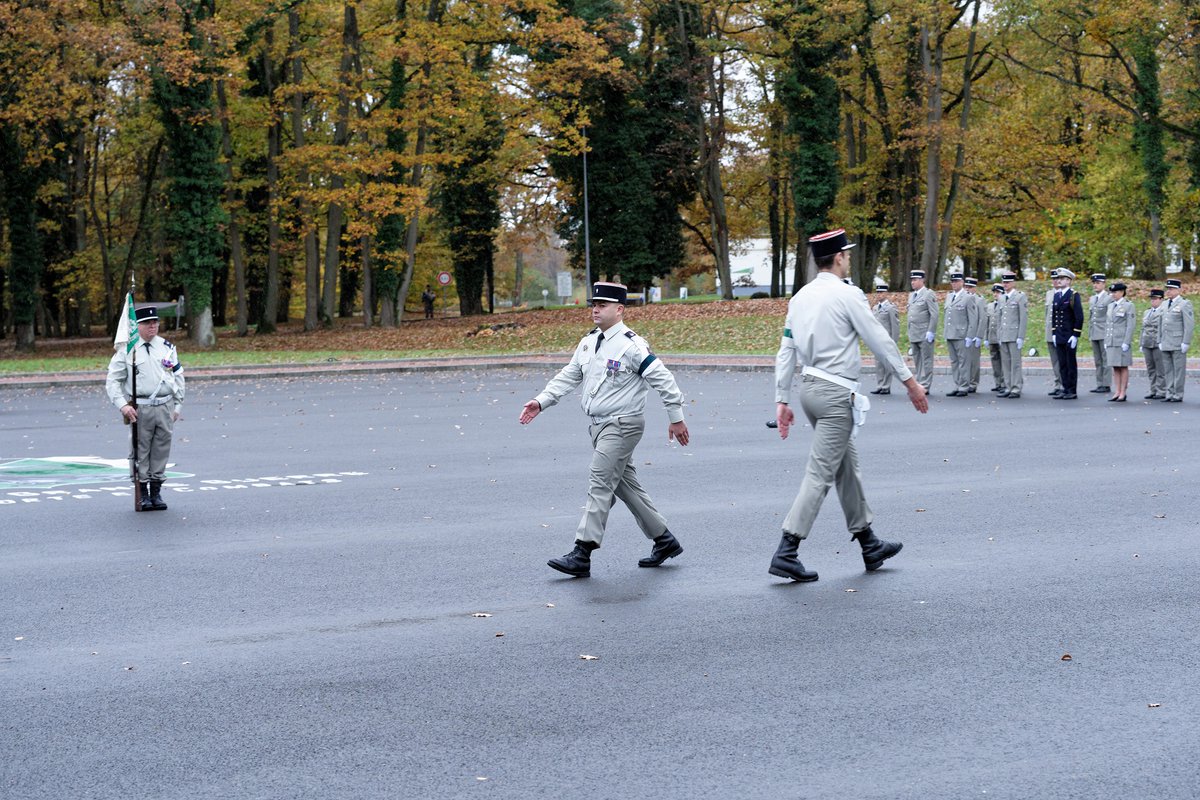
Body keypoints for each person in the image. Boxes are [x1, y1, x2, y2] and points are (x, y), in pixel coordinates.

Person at [771, 228, 928, 583]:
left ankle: (869, 543)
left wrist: (782, 399)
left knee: (846, 467)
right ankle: (787, 549)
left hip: (810, 390)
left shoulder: (800, 298)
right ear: (839, 257)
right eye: (848, 254)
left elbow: (786, 350)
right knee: (820, 473)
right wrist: (910, 383)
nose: (849, 259)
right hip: (835, 394)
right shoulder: (847, 295)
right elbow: (879, 339)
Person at [519, 281, 690, 577]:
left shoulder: (631, 345)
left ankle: (582, 552)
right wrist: (541, 401)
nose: (596, 310)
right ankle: (664, 540)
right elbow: (570, 375)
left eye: (603, 305)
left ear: (620, 309)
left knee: (599, 483)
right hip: (599, 426)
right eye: (594, 305)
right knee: (625, 485)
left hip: (622, 425)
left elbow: (663, 379)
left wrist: (676, 417)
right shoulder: (589, 341)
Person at [105, 306, 185, 511]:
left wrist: (178, 405)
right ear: (137, 326)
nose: (153, 326)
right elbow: (113, 381)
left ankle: (156, 491)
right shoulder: (127, 350)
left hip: (165, 406)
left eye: (155, 322)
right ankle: (143, 493)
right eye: (147, 323)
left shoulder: (166, 347)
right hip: (141, 407)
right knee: (140, 450)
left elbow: (177, 376)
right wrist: (123, 405)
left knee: (161, 449)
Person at [1050, 268, 1083, 400]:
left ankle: (1072, 390)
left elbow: (1079, 316)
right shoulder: (1057, 295)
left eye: (1062, 278)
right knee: (1062, 364)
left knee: (1070, 364)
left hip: (1069, 335)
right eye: (1058, 278)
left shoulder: (1073, 295)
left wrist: (1075, 335)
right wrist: (1054, 332)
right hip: (1059, 335)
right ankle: (1065, 388)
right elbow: (1054, 316)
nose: (1059, 281)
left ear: (1069, 281)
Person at [942, 272, 978, 396]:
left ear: (962, 282)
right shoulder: (949, 296)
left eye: (956, 281)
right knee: (954, 362)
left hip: (962, 335)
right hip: (950, 334)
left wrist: (970, 336)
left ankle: (964, 386)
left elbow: (973, 319)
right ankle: (957, 384)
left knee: (963, 361)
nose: (954, 284)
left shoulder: (968, 297)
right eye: (952, 281)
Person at [1158, 278, 1193, 403]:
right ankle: (1169, 393)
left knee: (1178, 370)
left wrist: (1186, 342)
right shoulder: (1164, 304)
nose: (1169, 291)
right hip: (1166, 341)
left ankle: (1178, 394)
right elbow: (1160, 323)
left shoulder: (1184, 304)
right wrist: (1159, 340)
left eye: (1172, 289)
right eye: (1168, 289)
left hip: (1178, 341)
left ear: (1179, 290)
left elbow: (1188, 325)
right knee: (1168, 369)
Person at [907, 269, 939, 392]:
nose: (912, 282)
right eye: (912, 280)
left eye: (915, 280)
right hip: (914, 333)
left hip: (924, 333)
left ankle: (925, 385)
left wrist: (931, 331)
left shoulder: (928, 294)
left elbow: (934, 314)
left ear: (922, 280)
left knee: (926, 361)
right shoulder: (911, 295)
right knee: (917, 361)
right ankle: (919, 384)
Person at [997, 272, 1028, 398]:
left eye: (1008, 282)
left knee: (1015, 363)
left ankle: (1016, 388)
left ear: (1013, 283)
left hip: (1014, 334)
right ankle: (1008, 386)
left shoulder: (1020, 297)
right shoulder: (1001, 297)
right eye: (1004, 282)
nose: (1005, 284)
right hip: (1004, 334)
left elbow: (1023, 318)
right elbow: (999, 318)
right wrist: (999, 334)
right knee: (1005, 363)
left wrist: (1021, 336)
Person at [1103, 283, 1135, 402]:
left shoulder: (1128, 305)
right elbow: (1108, 324)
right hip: (1111, 340)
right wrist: (1106, 340)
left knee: (1123, 366)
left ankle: (1123, 392)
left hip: (1121, 340)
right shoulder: (1111, 306)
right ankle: (1117, 391)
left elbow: (1130, 325)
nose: (1113, 294)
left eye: (1115, 292)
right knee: (1115, 366)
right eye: (1112, 292)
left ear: (1122, 292)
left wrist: (1126, 341)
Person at [871, 283, 900, 395]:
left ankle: (886, 386)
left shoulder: (891, 308)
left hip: (887, 340)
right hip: (877, 340)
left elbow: (895, 326)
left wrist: (894, 341)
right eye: (878, 292)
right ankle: (880, 385)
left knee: (887, 363)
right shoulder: (875, 308)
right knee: (878, 364)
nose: (879, 294)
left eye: (881, 292)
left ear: (886, 293)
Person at [1088, 274, 1112, 393]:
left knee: (1105, 360)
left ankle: (1106, 384)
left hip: (1104, 332)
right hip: (1094, 332)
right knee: (1097, 360)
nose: (1095, 285)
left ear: (1104, 284)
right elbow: (1091, 317)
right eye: (1094, 283)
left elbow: (1110, 317)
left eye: (1098, 283)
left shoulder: (1109, 298)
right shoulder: (1093, 299)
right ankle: (1099, 383)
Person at [1141, 289, 1166, 400]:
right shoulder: (1147, 312)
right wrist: (1141, 343)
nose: (1153, 301)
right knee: (1151, 368)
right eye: (1152, 299)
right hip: (1147, 343)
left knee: (1160, 368)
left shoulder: (1163, 312)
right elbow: (1143, 329)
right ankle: (1153, 390)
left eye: (1155, 299)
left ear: (1161, 299)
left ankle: (1161, 390)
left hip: (1157, 342)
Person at [1045, 270, 1064, 397]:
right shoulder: (1049, 294)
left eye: (1058, 278)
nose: (1055, 281)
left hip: (1060, 331)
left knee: (1062, 359)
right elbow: (1047, 314)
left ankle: (1064, 384)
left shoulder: (1066, 293)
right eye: (1053, 279)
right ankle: (1057, 384)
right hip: (1050, 331)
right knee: (1054, 360)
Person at [984, 283, 1006, 393]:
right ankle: (998, 383)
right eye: (994, 292)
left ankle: (1005, 383)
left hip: (1001, 337)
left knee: (1004, 360)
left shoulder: (1005, 305)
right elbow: (987, 323)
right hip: (992, 337)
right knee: (995, 361)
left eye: (998, 292)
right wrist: (986, 338)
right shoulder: (990, 306)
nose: (995, 294)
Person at [965, 277, 985, 393]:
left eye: (970, 287)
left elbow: (982, 319)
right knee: (964, 361)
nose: (968, 289)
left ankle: (973, 383)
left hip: (974, 335)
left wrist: (979, 336)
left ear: (975, 288)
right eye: (966, 287)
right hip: (964, 334)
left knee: (974, 361)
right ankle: (965, 382)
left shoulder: (979, 300)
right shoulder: (963, 298)